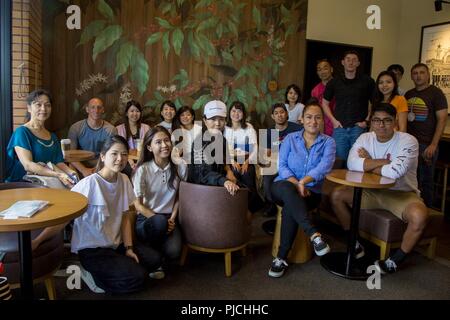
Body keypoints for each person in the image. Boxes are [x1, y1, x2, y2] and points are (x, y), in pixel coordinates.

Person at [32, 135, 162, 293]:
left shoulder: (124, 179)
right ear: (103, 156)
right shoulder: (88, 184)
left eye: (124, 154)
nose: (119, 159)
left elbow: (126, 216)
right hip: (93, 249)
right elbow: (65, 219)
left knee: (155, 260)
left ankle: (119, 266)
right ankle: (92, 275)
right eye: (114, 154)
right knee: (138, 278)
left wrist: (128, 248)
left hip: (116, 244)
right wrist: (37, 240)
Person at [330, 103, 429, 274]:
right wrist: (385, 162)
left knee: (420, 216)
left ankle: (395, 260)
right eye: (376, 120)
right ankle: (354, 244)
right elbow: (352, 163)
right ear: (371, 122)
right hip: (372, 191)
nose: (381, 125)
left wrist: (368, 163)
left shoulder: (408, 140)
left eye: (387, 120)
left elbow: (396, 172)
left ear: (395, 121)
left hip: (401, 193)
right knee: (337, 195)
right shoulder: (365, 138)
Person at [268, 101, 336, 278]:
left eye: (317, 117)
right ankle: (313, 234)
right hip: (282, 186)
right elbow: (281, 165)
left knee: (292, 205)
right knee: (287, 189)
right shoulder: (291, 138)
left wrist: (303, 182)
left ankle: (281, 258)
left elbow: (324, 168)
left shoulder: (329, 142)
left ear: (322, 121)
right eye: (309, 117)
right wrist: (295, 183)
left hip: (311, 192)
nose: (313, 121)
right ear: (302, 119)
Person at [133, 126, 187, 276]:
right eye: (158, 142)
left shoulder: (180, 166)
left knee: (174, 252)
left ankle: (152, 256)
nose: (164, 145)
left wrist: (172, 219)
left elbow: (179, 197)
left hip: (168, 217)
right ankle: (151, 257)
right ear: (149, 147)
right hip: (147, 218)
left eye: (166, 140)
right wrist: (159, 220)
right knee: (158, 224)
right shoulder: (143, 170)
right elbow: (137, 204)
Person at [6, 89, 76, 186]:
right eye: (38, 105)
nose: (43, 109)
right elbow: (28, 165)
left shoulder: (52, 136)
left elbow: (59, 163)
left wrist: (72, 173)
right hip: (22, 185)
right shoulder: (22, 132)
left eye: (47, 105)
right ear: (29, 108)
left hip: (47, 183)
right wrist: (58, 175)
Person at [405, 63, 448, 208]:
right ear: (411, 76)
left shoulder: (436, 93)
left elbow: (442, 119)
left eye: (422, 72)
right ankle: (412, 210)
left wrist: (434, 144)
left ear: (428, 75)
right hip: (410, 144)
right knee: (411, 179)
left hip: (426, 145)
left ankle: (427, 212)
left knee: (426, 181)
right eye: (415, 73)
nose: (418, 75)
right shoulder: (408, 94)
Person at [322, 50, 375, 161]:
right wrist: (333, 121)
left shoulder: (367, 81)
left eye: (354, 60)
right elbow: (324, 103)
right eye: (348, 59)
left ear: (358, 63)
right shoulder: (334, 82)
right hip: (340, 128)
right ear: (343, 62)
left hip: (358, 129)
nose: (351, 62)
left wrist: (366, 121)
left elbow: (374, 103)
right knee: (339, 161)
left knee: (358, 161)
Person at [261, 103, 303, 231]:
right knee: (267, 177)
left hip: (294, 164)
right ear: (272, 116)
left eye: (282, 112)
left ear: (287, 114)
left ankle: (290, 207)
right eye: (276, 113)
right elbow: (265, 154)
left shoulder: (296, 129)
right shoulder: (269, 132)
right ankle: (273, 204)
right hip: (276, 163)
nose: (280, 115)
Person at [187, 100, 240, 196]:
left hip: (218, 185)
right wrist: (225, 181)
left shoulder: (222, 139)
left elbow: (225, 160)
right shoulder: (199, 143)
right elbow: (203, 173)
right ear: (204, 120)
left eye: (221, 119)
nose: (218, 123)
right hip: (200, 190)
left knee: (247, 192)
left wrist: (228, 170)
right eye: (213, 119)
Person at [224, 101, 263, 212]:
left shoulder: (249, 127)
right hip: (229, 160)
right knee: (235, 173)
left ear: (243, 113)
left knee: (247, 174)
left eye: (239, 111)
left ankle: (249, 206)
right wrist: (231, 161)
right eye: (233, 111)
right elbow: (222, 148)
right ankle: (235, 205)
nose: (236, 114)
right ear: (229, 112)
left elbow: (255, 147)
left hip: (247, 158)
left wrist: (247, 161)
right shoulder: (225, 128)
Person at [68, 97, 117, 177]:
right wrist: (84, 170)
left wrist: (97, 170)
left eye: (99, 107)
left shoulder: (111, 130)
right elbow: (70, 155)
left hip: (101, 165)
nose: (96, 110)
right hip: (81, 164)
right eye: (93, 107)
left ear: (103, 110)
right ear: (87, 109)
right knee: (71, 165)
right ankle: (74, 188)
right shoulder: (76, 128)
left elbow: (112, 154)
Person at [116, 100, 151, 170]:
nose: (135, 114)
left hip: (143, 159)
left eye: (137, 111)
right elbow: (118, 148)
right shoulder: (118, 129)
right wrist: (129, 159)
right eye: (132, 111)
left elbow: (149, 147)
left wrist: (139, 161)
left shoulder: (146, 128)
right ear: (126, 113)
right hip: (124, 159)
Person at [311, 59, 335, 136]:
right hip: (322, 128)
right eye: (319, 69)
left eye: (325, 68)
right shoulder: (315, 90)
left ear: (331, 69)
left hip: (338, 126)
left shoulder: (339, 85)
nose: (322, 72)